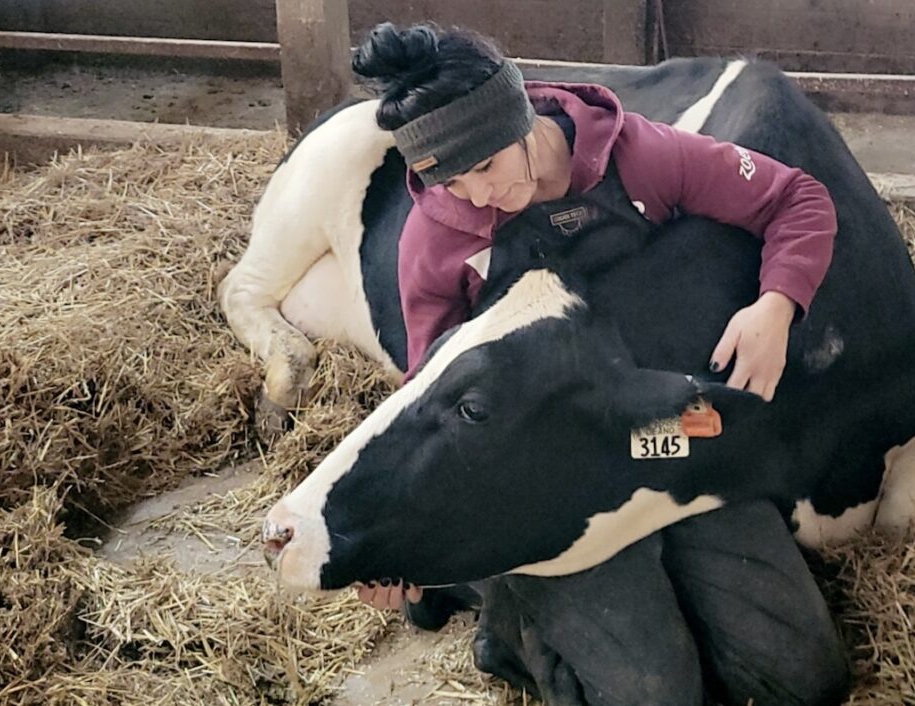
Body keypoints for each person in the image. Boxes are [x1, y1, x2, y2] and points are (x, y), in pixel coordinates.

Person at [347, 23, 849, 704]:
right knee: (655, 695)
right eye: (452, 182)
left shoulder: (640, 156)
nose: (476, 196)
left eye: (486, 168)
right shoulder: (436, 236)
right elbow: (430, 399)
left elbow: (797, 197)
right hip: (548, 478)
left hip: (669, 435)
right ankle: (505, 619)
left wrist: (776, 306)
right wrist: (400, 533)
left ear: (518, 118)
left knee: (804, 679)